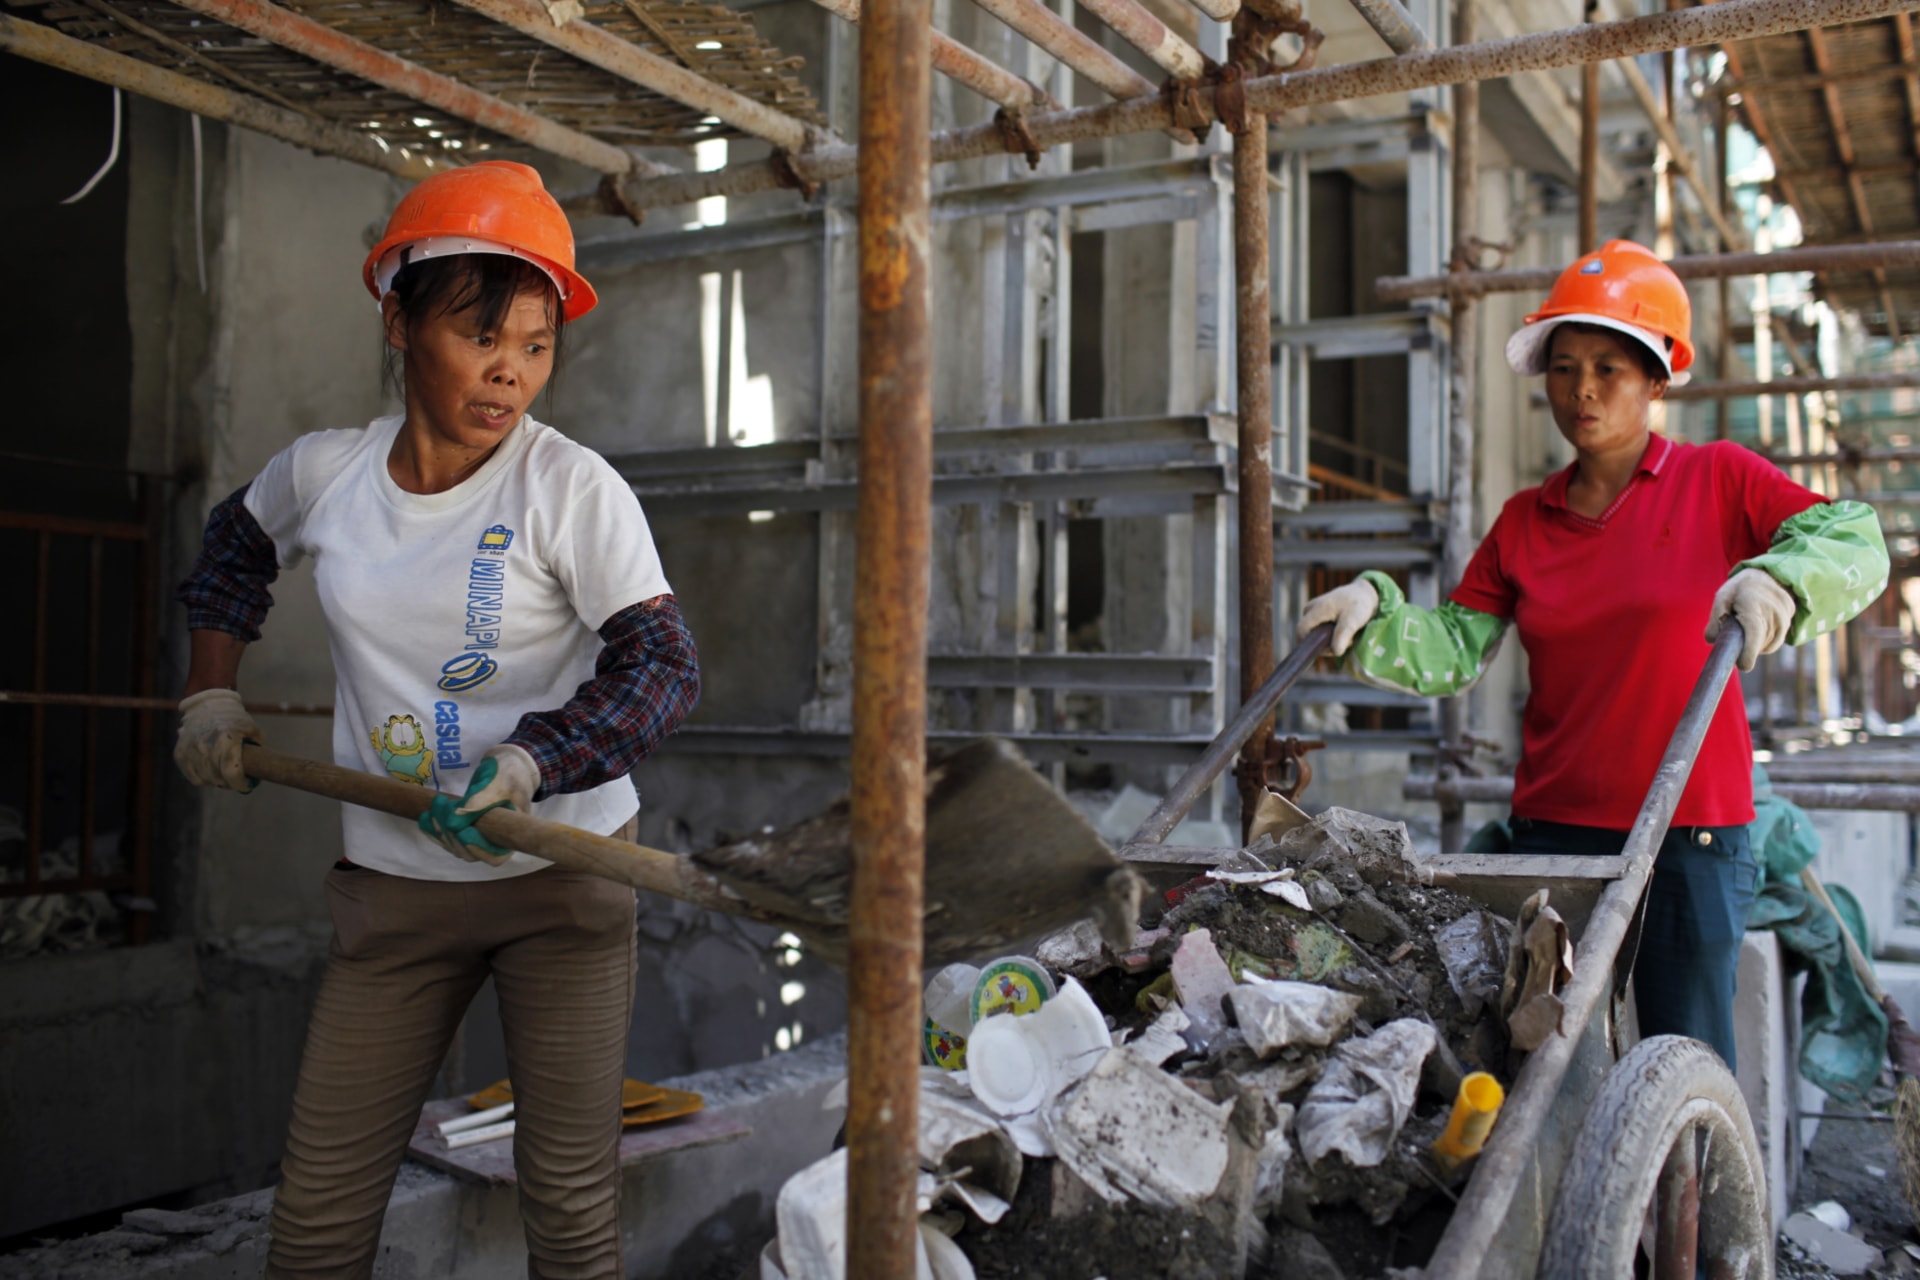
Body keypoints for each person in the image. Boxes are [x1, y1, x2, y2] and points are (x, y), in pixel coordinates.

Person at [171, 160, 700, 1277]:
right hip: (397, 890)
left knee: (567, 1205)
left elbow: (661, 665)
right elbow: (232, 551)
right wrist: (211, 690)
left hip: (563, 875)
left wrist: (528, 763)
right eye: (480, 336)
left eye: (536, 344)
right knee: (315, 1220)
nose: (510, 373)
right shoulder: (327, 475)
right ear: (399, 321)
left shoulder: (572, 488)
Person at [1298, 239, 1888, 1070]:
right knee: (1549, 1064)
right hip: (1556, 833)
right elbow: (1457, 649)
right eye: (1565, 365)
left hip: (1692, 833)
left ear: (1657, 380)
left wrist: (1784, 581)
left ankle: (1689, 1205)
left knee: (1683, 1063)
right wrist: (1373, 608)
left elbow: (1854, 535)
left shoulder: (1720, 480)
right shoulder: (1522, 521)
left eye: (1610, 366)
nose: (1582, 388)